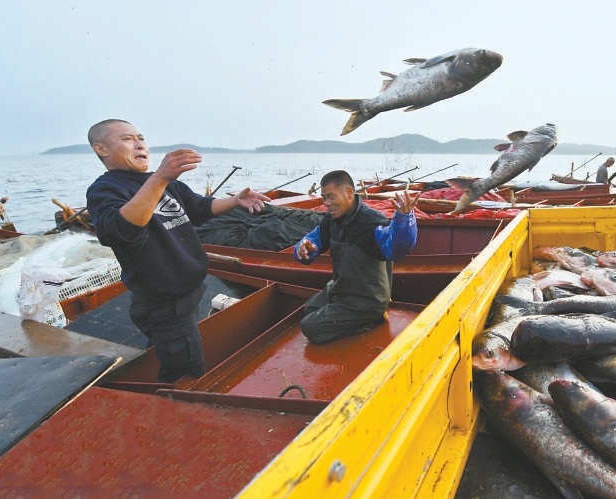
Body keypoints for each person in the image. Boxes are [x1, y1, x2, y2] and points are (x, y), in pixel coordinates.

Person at [86, 118, 271, 382]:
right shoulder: (105, 189)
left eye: (141, 137)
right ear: (101, 149)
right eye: (127, 139)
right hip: (163, 303)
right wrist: (160, 178)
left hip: (191, 291)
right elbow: (121, 230)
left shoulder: (163, 183)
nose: (139, 144)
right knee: (185, 372)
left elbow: (199, 208)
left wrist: (235, 201)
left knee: (174, 347)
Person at [294, 170, 421, 344]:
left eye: (331, 197)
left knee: (309, 326)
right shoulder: (332, 220)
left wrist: (404, 219)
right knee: (309, 309)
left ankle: (370, 320)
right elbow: (314, 239)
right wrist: (303, 249)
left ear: (348, 193)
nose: (326, 204)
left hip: (367, 299)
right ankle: (349, 315)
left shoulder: (371, 222)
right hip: (342, 288)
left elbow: (396, 248)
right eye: (324, 198)